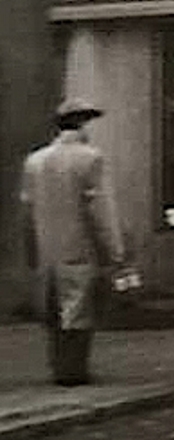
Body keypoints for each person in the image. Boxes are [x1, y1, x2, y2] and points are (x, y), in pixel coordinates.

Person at [20, 99, 127, 386]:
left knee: (53, 309)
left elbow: (27, 211)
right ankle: (74, 370)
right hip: (80, 247)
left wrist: (30, 250)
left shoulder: (35, 161)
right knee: (78, 310)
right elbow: (101, 211)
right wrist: (115, 252)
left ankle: (58, 368)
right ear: (82, 124)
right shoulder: (90, 158)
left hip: (46, 250)